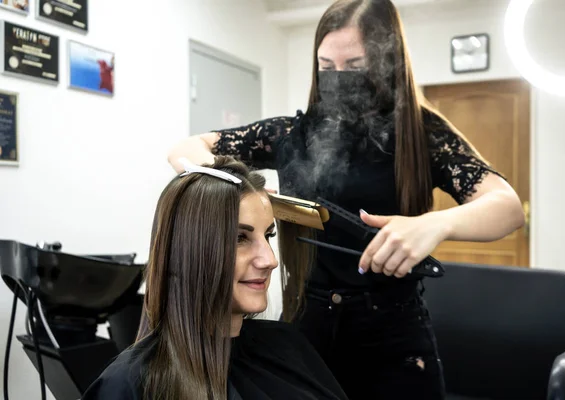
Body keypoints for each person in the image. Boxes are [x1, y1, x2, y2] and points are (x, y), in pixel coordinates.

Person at [166, 0, 525, 398]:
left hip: (393, 336)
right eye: (326, 66)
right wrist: (234, 187)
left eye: (355, 66)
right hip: (308, 327)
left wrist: (434, 224)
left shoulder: (421, 136)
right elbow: (186, 148)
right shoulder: (291, 134)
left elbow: (507, 207)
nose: (339, 79)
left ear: (386, 59)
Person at [81, 156, 349, 400]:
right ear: (189, 251)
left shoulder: (288, 346)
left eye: (268, 236)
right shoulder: (132, 385)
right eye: (240, 238)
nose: (270, 260)